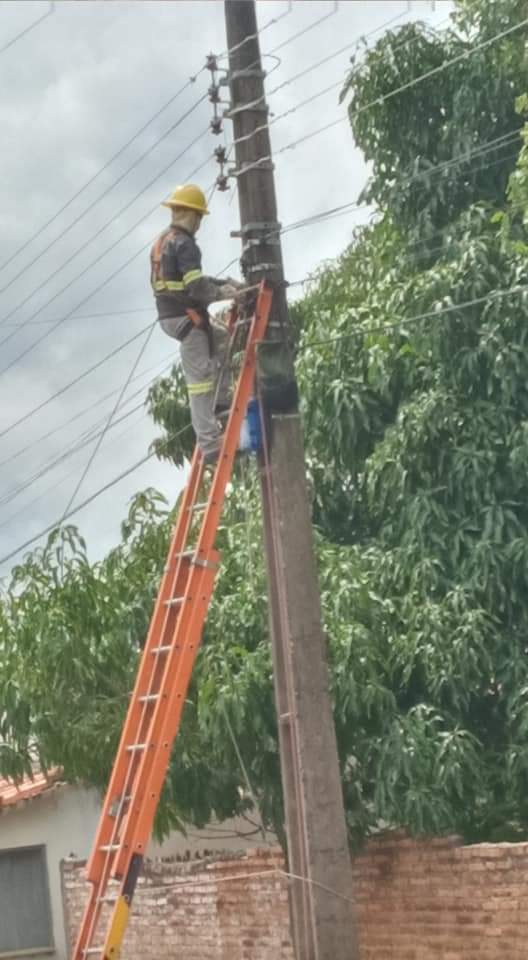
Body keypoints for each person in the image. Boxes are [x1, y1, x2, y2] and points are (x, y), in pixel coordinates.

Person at [151, 183, 242, 464]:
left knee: (221, 336)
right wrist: (225, 293)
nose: (199, 223)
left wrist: (223, 283)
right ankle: (210, 443)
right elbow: (196, 288)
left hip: (174, 315)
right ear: (192, 215)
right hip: (185, 319)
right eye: (199, 217)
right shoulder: (185, 244)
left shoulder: (165, 240)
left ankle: (222, 400)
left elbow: (191, 281)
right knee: (200, 381)